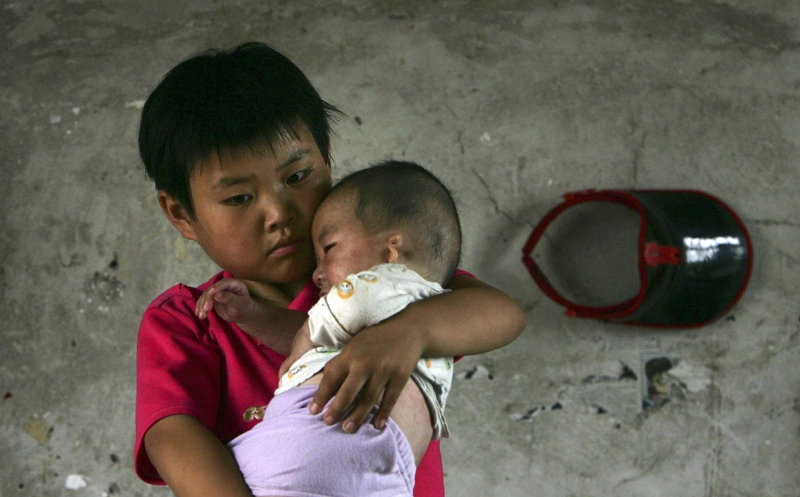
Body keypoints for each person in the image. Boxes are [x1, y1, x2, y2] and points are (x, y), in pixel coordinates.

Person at [134, 41, 526, 497]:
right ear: (181, 214)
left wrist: (410, 332)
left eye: (297, 177)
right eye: (239, 198)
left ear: (327, 158)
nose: (279, 213)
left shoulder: (380, 276)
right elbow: (173, 438)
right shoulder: (188, 320)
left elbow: (502, 314)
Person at [195, 161, 462, 496]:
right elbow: (312, 326)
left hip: (323, 437)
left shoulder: (383, 284)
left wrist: (298, 353)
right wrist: (252, 315)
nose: (317, 273)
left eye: (330, 248)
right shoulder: (438, 307)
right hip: (388, 466)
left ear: (391, 250)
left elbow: (322, 322)